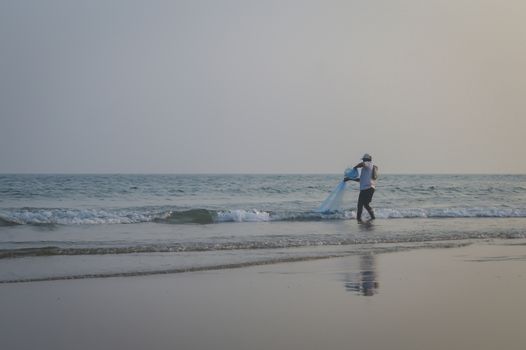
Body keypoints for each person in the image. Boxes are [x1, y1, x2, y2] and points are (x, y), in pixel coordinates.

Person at [344, 153, 376, 223]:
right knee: (366, 204)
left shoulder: (369, 164)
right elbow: (360, 180)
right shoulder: (367, 169)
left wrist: (355, 167)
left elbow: (362, 164)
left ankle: (359, 219)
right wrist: (350, 179)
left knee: (360, 205)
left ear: (366, 159)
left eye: (364, 159)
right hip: (370, 188)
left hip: (366, 189)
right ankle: (373, 217)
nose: (363, 161)